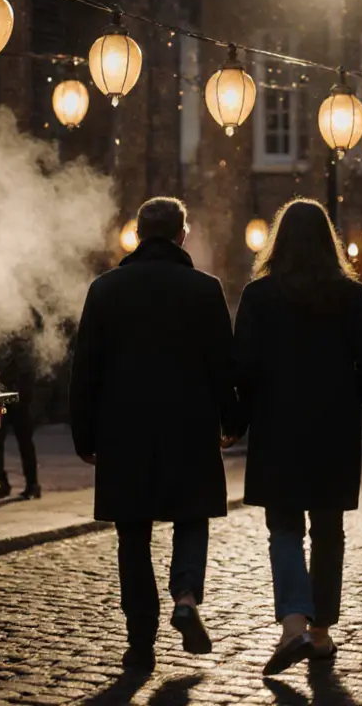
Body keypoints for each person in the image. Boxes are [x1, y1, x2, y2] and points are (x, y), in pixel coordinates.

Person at [69, 197, 242, 671]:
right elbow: (223, 366)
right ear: (181, 235)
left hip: (124, 429)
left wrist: (84, 435)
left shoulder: (105, 290)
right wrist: (233, 420)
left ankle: (140, 637)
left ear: (139, 234)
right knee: (191, 517)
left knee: (133, 535)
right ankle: (185, 594)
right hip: (189, 425)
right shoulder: (205, 290)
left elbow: (85, 369)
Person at [232, 199, 362, 676]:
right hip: (332, 428)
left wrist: (241, 417)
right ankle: (321, 633)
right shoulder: (349, 294)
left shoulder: (259, 296)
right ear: (328, 241)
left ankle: (293, 623)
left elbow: (242, 368)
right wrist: (347, 395)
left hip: (278, 426)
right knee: (327, 531)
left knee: (283, 527)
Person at [0, 311, 42, 501]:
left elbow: (28, 367)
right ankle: (1, 483)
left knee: (24, 441)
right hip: (3, 395)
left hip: (21, 397)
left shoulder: (24, 341)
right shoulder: (0, 337)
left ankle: (32, 484)